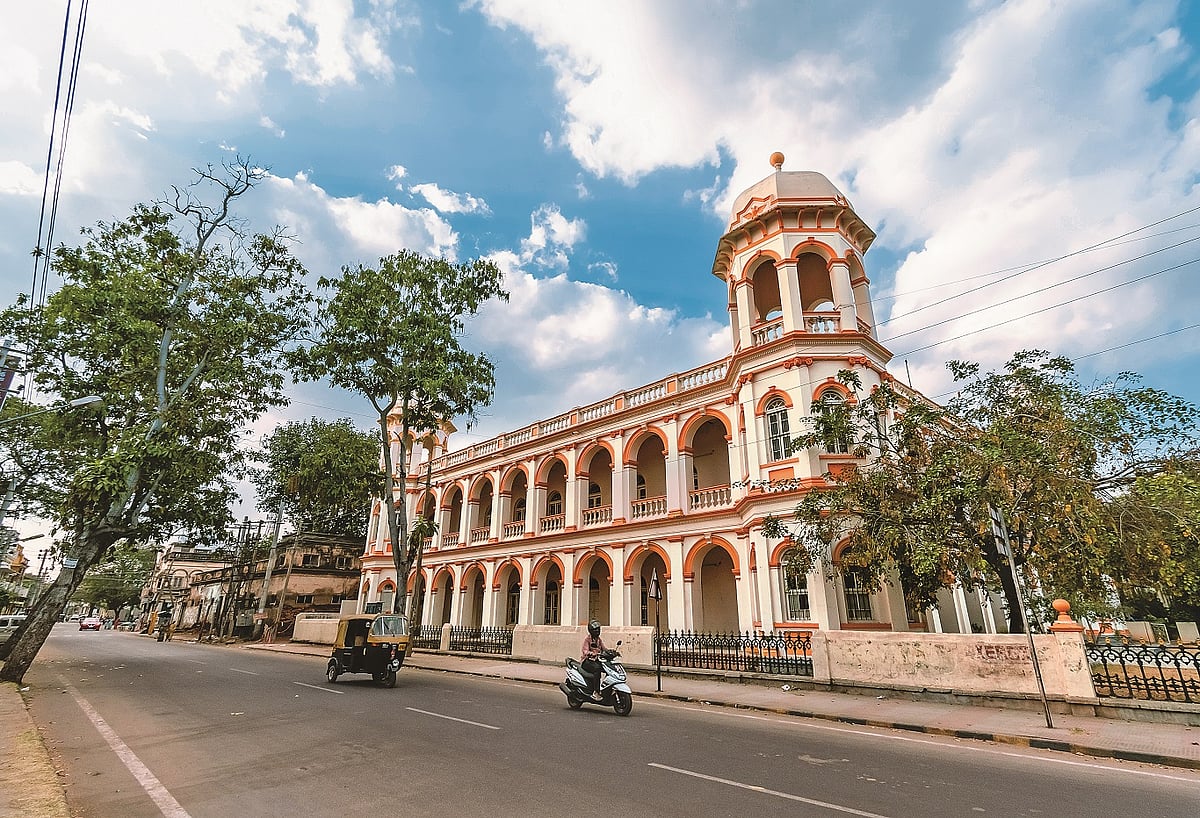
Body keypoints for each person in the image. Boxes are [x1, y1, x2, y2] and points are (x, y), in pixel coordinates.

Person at [580, 620, 606, 700]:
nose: (598, 631)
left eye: (598, 629)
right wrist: (591, 653)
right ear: (591, 631)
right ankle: (596, 692)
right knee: (597, 669)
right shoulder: (588, 639)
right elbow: (584, 650)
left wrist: (611, 652)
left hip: (595, 661)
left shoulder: (598, 640)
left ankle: (605, 689)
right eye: (595, 630)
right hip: (587, 661)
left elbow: (604, 649)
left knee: (607, 669)